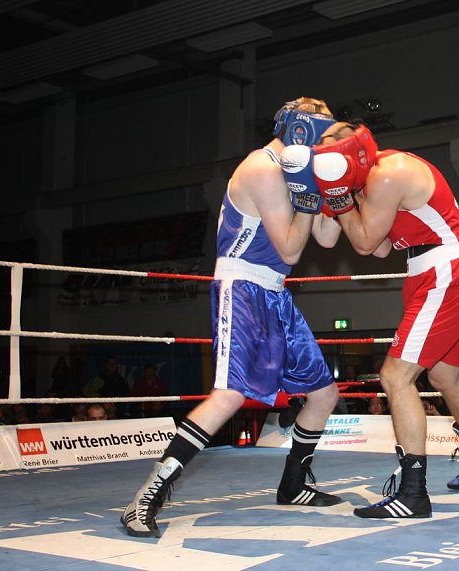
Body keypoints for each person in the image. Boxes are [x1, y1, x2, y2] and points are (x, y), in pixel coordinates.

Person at [121, 97, 343, 538]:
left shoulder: (298, 170)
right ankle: (145, 497)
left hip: (276, 292)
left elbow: (327, 239)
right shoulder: (262, 168)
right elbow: (291, 250)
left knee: (324, 394)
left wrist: (338, 192)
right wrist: (307, 198)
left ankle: (294, 485)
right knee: (229, 396)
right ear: (300, 129)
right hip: (242, 287)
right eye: (321, 129)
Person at [304, 121, 459, 518]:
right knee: (444, 376)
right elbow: (378, 248)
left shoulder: (389, 173)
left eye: (328, 146)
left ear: (350, 151)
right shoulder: (370, 182)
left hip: (444, 271)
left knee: (395, 376)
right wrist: (335, 198)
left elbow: (363, 244)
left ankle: (413, 493)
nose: (322, 153)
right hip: (428, 272)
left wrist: (340, 199)